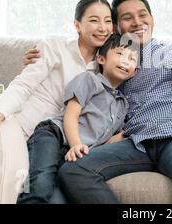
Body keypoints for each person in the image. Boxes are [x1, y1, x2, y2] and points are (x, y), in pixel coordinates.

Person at [24, 0, 172, 204]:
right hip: (135, 142)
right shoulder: (107, 60)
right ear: (116, 27)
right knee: (74, 170)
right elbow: (72, 57)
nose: (137, 22)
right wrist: (39, 59)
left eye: (143, 15)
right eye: (127, 17)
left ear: (152, 19)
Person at [0, 0, 115, 204]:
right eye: (94, 20)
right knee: (11, 179)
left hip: (35, 138)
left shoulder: (103, 68)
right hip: (6, 119)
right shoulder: (55, 46)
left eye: (108, 21)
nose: (102, 27)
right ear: (77, 25)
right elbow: (23, 85)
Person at [17, 34, 138, 204]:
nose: (125, 60)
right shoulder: (89, 80)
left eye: (132, 58)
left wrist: (133, 132)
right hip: (54, 136)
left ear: (135, 72)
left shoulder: (123, 104)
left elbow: (109, 140)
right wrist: (75, 145)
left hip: (74, 156)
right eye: (119, 54)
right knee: (41, 183)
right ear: (101, 59)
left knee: (59, 198)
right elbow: (71, 115)